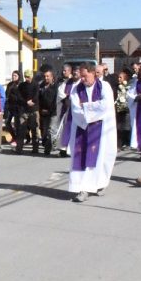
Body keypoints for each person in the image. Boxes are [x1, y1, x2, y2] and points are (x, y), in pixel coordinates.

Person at [68, 63, 117, 202]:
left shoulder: (104, 87)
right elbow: (76, 109)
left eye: (85, 76)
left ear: (93, 73)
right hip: (81, 127)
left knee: (103, 157)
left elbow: (106, 105)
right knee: (82, 158)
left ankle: (101, 183)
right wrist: (90, 111)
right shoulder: (76, 89)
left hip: (102, 129)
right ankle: (82, 189)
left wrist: (87, 107)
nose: (82, 79)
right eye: (81, 76)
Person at [53, 64, 80, 157]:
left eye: (78, 72)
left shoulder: (82, 84)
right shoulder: (67, 83)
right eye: (74, 72)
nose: (75, 74)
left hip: (78, 112)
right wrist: (65, 100)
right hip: (68, 110)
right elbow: (60, 92)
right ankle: (63, 150)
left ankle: (74, 150)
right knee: (66, 129)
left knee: (76, 131)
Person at [15, 69, 39, 154]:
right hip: (24, 110)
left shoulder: (36, 85)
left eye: (28, 77)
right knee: (21, 130)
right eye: (25, 77)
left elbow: (37, 95)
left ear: (31, 76)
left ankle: (35, 148)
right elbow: (19, 96)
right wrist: (26, 102)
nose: (27, 78)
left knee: (34, 130)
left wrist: (32, 101)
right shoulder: (21, 85)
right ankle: (19, 148)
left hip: (33, 110)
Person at [38, 69, 59, 156]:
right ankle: (49, 144)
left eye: (48, 76)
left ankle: (48, 148)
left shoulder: (55, 87)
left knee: (51, 130)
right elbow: (38, 99)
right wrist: (40, 109)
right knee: (44, 131)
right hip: (43, 112)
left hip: (53, 112)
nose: (46, 78)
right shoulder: (41, 86)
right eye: (45, 76)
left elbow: (55, 101)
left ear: (52, 77)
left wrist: (49, 110)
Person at [114, 68, 132, 150]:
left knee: (127, 127)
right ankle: (119, 144)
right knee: (118, 127)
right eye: (118, 77)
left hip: (126, 109)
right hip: (118, 108)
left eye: (121, 77)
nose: (119, 79)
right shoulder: (116, 87)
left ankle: (127, 142)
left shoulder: (128, 87)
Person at [4, 70, 22, 147]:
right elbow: (6, 94)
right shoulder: (10, 84)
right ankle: (14, 137)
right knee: (7, 122)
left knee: (17, 124)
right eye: (13, 75)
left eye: (15, 76)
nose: (13, 77)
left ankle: (18, 139)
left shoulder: (21, 85)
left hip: (17, 107)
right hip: (10, 107)